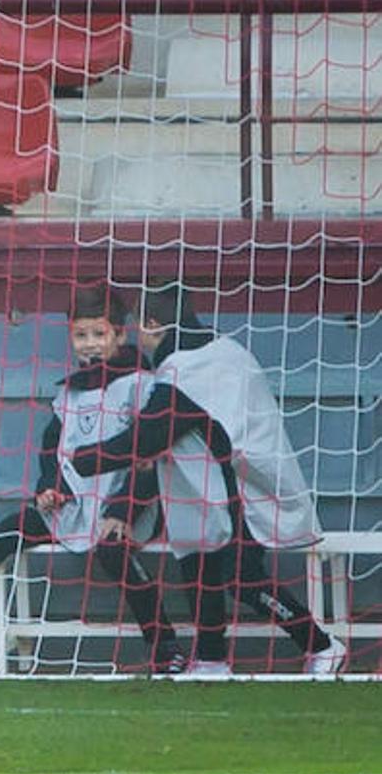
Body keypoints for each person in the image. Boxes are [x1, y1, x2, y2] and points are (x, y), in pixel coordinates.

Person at [0, 287, 186, 674]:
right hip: (75, 506)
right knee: (6, 532)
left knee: (113, 552)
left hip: (127, 507)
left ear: (120, 335)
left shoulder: (142, 385)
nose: (90, 344)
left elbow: (150, 455)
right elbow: (52, 449)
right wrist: (50, 488)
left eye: (99, 334)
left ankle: (165, 646)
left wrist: (123, 509)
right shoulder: (71, 394)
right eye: (81, 335)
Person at [70, 283, 346, 675]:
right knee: (199, 567)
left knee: (241, 577)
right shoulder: (219, 351)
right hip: (211, 487)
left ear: (151, 324)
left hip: (242, 489)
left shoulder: (186, 369)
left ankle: (321, 643)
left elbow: (148, 436)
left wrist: (82, 460)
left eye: (138, 329)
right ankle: (212, 659)